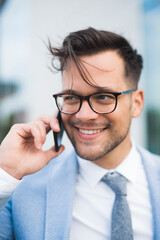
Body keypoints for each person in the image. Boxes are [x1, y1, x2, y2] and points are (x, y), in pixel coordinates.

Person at [0, 27, 159, 240]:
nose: (84, 115)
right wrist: (5, 170)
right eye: (71, 97)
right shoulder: (20, 188)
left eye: (103, 97)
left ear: (136, 103)